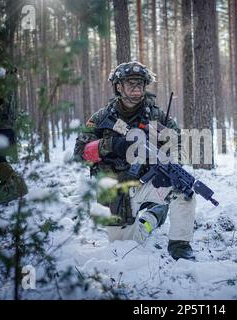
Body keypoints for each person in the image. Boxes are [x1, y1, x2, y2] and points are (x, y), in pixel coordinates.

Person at [73, 61, 196, 260]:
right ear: (118, 86)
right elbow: (79, 154)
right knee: (125, 246)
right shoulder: (102, 117)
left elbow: (179, 144)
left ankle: (180, 247)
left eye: (140, 83)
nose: (136, 88)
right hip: (115, 190)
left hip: (147, 183)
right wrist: (111, 145)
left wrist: (169, 158)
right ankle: (153, 217)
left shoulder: (156, 117)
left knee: (184, 190)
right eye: (130, 83)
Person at [0, 42, 28, 203]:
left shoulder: (0, 73)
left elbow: (1, 101)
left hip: (2, 123)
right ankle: (9, 188)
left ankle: (17, 185)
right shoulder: (6, 72)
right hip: (6, 123)